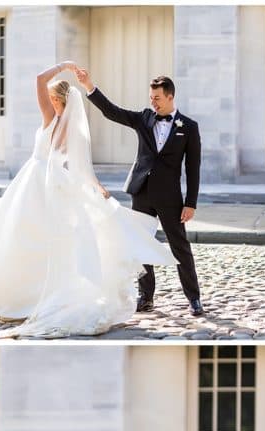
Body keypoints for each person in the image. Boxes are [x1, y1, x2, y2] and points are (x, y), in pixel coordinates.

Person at [0, 62, 175, 337]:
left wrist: (64, 66)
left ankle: (19, 297)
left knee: (17, 238)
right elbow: (79, 166)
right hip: (51, 183)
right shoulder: (71, 127)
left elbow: (39, 78)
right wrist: (97, 186)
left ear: (55, 99)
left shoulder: (49, 118)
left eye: (51, 97)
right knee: (46, 242)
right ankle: (34, 295)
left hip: (36, 182)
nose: (46, 100)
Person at [77, 68, 204, 316]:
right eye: (150, 98)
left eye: (157, 98)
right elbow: (112, 112)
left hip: (170, 198)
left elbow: (193, 168)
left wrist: (191, 203)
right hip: (141, 192)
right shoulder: (144, 119)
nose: (152, 102)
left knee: (180, 247)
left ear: (170, 97)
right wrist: (89, 87)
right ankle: (146, 297)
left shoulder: (189, 127)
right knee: (140, 246)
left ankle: (194, 298)